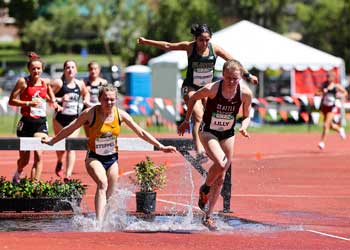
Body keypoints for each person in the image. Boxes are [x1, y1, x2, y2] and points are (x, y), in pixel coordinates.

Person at [42, 84, 177, 224]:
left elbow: (141, 132)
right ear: (100, 99)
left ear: (116, 99)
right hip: (94, 158)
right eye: (106, 99)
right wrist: (53, 140)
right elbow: (72, 127)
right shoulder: (90, 113)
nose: (109, 103)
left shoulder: (120, 115)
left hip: (112, 159)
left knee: (110, 194)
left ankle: (107, 221)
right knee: (102, 183)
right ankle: (99, 223)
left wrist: (161, 146)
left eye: (112, 100)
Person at [138, 23, 257, 162]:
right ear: (195, 39)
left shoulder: (215, 49)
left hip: (207, 89)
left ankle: (211, 143)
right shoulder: (190, 47)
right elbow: (168, 46)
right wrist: (146, 42)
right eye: (201, 40)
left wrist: (248, 75)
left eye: (207, 40)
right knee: (198, 115)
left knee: (210, 116)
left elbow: (233, 62)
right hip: (190, 87)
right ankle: (199, 150)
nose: (204, 43)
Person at [178, 59, 252, 231]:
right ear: (223, 75)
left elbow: (246, 115)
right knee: (221, 163)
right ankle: (205, 188)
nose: (232, 82)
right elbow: (193, 97)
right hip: (208, 131)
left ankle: (208, 216)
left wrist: (244, 127)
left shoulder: (245, 93)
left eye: (235, 79)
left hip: (228, 133)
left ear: (240, 77)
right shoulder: (212, 89)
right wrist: (186, 120)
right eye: (228, 78)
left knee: (222, 176)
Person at [8, 52, 61, 183]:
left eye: (38, 68)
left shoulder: (45, 82)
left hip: (40, 123)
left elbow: (47, 94)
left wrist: (54, 103)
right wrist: (28, 103)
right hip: (26, 123)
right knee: (24, 160)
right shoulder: (23, 82)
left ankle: (34, 185)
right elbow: (11, 101)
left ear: (42, 69)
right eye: (33, 68)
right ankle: (18, 172)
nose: (36, 71)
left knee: (39, 155)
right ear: (29, 69)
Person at [50, 60, 89, 179]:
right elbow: (48, 96)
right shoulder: (59, 83)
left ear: (76, 70)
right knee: (61, 147)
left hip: (74, 120)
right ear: (64, 70)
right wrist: (60, 99)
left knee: (71, 145)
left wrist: (86, 101)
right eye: (67, 67)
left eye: (73, 67)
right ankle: (59, 160)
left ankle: (68, 175)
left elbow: (85, 93)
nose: (70, 69)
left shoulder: (80, 84)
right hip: (59, 119)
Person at [317, 70, 348, 150]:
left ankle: (322, 142)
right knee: (330, 125)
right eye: (327, 77)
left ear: (333, 78)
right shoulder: (324, 85)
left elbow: (345, 93)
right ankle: (339, 129)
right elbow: (317, 93)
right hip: (324, 107)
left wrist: (339, 95)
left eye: (330, 77)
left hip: (332, 107)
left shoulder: (336, 86)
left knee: (326, 124)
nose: (328, 78)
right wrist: (323, 92)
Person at [83, 61, 108, 137]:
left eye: (95, 69)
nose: (93, 71)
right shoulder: (84, 82)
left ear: (99, 70)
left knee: (100, 135)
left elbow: (107, 97)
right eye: (91, 69)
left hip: (100, 111)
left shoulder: (103, 82)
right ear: (88, 70)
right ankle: (89, 149)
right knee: (89, 137)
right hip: (88, 110)